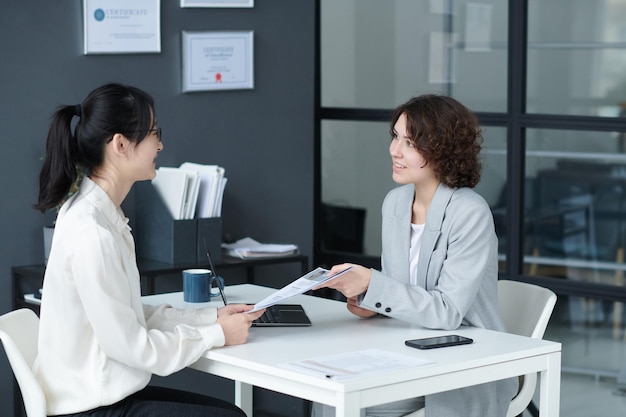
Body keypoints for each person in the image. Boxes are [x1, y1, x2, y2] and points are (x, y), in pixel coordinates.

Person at [33, 83, 264, 417]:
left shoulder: (99, 215)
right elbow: (133, 348)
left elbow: (132, 317)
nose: (160, 144)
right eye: (154, 133)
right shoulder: (93, 233)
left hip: (103, 395)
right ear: (121, 145)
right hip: (91, 407)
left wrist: (211, 317)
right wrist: (215, 335)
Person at [312, 94, 518, 417]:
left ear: (442, 149)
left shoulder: (470, 213)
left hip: (462, 362)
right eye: (395, 137)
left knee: (357, 400)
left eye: (409, 143)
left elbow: (448, 311)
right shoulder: (395, 203)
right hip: (405, 349)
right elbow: (403, 290)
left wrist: (374, 284)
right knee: (327, 388)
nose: (395, 150)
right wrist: (370, 301)